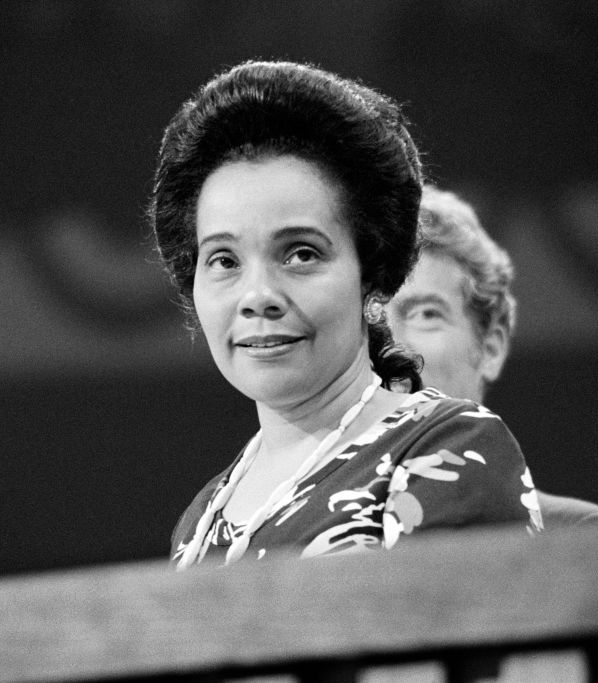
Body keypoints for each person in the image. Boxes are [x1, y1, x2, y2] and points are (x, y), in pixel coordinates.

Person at [150, 61, 542, 571]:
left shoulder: (446, 448)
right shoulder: (202, 520)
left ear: (373, 273)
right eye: (224, 261)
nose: (259, 295)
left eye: (301, 254)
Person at [386, 185, 598, 527]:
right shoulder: (292, 543)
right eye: (370, 319)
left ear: (490, 348)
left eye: (426, 314)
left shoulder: (581, 535)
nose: (391, 346)